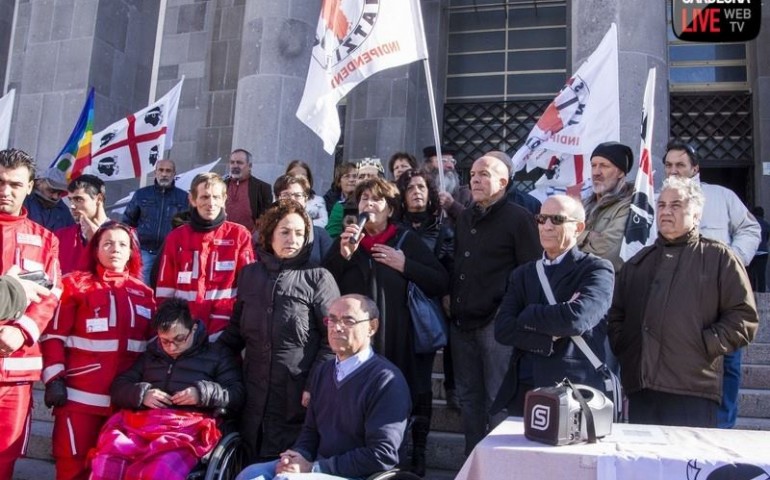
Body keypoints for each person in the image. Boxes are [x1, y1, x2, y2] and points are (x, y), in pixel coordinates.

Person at [608, 176, 758, 428]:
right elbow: (617, 318)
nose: (666, 211)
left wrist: (704, 344)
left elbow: (743, 318)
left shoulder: (719, 258)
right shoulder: (638, 263)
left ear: (697, 214)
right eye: (662, 205)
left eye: (676, 205)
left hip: (693, 389)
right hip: (642, 390)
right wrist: (628, 347)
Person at [324, 177, 449, 475]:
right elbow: (326, 283)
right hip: (361, 342)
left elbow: (440, 280)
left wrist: (405, 265)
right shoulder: (348, 241)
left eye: (376, 199)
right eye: (364, 198)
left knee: (409, 393)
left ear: (390, 208)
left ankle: (413, 455)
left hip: (402, 338)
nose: (369, 204)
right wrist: (342, 256)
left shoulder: (405, 240)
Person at [235, 294, 411, 480]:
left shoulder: (386, 380)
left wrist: (314, 468)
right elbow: (311, 431)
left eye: (348, 320)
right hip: (319, 466)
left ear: (372, 327)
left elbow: (382, 454)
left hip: (360, 474)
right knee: (251, 474)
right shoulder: (323, 372)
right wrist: (296, 457)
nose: (337, 327)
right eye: (332, 320)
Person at [219, 199, 340, 463]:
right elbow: (234, 335)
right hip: (252, 395)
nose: (292, 239)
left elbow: (334, 341)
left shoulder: (318, 278)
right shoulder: (250, 275)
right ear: (270, 234)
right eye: (285, 232)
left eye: (299, 233)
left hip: (296, 398)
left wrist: (313, 385)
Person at [40, 221, 156, 480]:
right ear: (95, 249)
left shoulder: (144, 294)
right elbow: (53, 336)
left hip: (123, 405)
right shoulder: (74, 286)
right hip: (78, 400)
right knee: (72, 466)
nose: (116, 249)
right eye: (108, 243)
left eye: (122, 244)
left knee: (114, 468)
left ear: (131, 253)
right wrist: (54, 379)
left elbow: (151, 348)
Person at [88, 298, 244, 480]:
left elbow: (237, 394)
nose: (172, 347)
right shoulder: (151, 356)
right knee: (109, 459)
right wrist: (142, 394)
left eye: (179, 339)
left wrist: (202, 393)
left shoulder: (217, 355)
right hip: (144, 426)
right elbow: (119, 387)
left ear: (193, 328)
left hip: (187, 431)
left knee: (160, 469)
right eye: (165, 341)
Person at [663, 141, 761, 429]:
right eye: (668, 165)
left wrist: (736, 258)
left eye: (680, 165)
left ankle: (723, 429)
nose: (674, 171)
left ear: (695, 168)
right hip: (677, 297)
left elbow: (750, 227)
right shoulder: (658, 199)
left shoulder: (721, 196)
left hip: (720, 294)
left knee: (727, 363)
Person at [450, 152, 541, 455]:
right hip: (462, 323)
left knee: (497, 400)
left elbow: (530, 270)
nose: (475, 179)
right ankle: (473, 466)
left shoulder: (519, 218)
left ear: (503, 182)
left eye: (484, 174)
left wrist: (509, 312)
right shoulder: (464, 217)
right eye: (473, 173)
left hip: (497, 325)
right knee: (469, 400)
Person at [491, 195, 614, 416]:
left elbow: (576, 320)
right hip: (524, 387)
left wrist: (527, 314)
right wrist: (549, 333)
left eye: (557, 219)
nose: (547, 226)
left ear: (578, 227)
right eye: (542, 218)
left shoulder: (596, 269)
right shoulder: (523, 274)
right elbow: (503, 329)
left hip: (574, 390)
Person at [0, 148, 62, 478]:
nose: (5, 191)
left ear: (30, 186)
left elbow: (50, 296)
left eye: (14, 184)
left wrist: (20, 331)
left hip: (16, 374)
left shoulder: (45, 240)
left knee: (5, 459)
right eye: (0, 182)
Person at [395, 168, 455, 475]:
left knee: (420, 387)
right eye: (410, 188)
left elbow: (443, 276)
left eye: (421, 187)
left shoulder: (443, 229)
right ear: (401, 196)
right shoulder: (392, 228)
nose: (417, 191)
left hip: (422, 317)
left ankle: (418, 451)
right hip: (393, 316)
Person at [155, 172, 254, 340]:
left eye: (216, 197)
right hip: (184, 331)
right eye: (204, 197)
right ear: (192, 200)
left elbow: (249, 289)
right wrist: (170, 329)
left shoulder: (239, 235)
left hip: (224, 330)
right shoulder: (176, 238)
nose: (211, 203)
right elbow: (164, 290)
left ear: (224, 199)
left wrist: (235, 333)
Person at [122, 159, 189, 283]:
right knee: (142, 291)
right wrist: (130, 248)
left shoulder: (184, 197)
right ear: (155, 173)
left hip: (170, 253)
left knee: (166, 290)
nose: (164, 174)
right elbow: (127, 223)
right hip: (145, 251)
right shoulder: (141, 194)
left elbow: (187, 226)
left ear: (174, 174)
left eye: (168, 171)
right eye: (161, 170)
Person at [577, 141, 635, 272]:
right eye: (593, 165)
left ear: (621, 172)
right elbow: (559, 241)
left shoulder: (630, 206)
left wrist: (576, 240)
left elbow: (609, 253)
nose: (596, 172)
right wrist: (587, 236)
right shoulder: (582, 205)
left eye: (604, 166)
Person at [270, 174, 333, 265]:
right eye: (286, 195)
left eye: (298, 195)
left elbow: (332, 267)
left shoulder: (320, 235)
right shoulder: (265, 232)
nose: (292, 200)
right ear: (277, 198)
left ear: (306, 199)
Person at [55, 174, 111, 274]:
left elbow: (125, 278)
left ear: (99, 199)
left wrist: (96, 240)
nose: (72, 206)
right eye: (70, 200)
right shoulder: (59, 237)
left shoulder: (124, 235)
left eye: (78, 199)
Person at [326, 159, 386, 240]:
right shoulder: (341, 207)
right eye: (361, 176)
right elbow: (331, 239)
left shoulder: (390, 205)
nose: (365, 179)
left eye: (371, 176)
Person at [225, 148, 273, 231]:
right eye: (232, 162)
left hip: (250, 239)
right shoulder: (220, 185)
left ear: (250, 166)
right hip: (222, 238)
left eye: (239, 163)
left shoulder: (262, 188)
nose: (235, 166)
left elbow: (266, 218)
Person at [286, 160, 328, 228]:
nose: (297, 179)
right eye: (293, 175)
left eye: (302, 176)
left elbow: (324, 221)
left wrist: (302, 223)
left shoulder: (318, 200)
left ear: (308, 179)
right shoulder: (280, 197)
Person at [748, 206, 770, 292]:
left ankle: (750, 292)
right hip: (763, 252)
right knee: (761, 275)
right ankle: (762, 294)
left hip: (751, 252)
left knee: (749, 274)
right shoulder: (766, 224)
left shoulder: (750, 223)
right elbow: (767, 237)